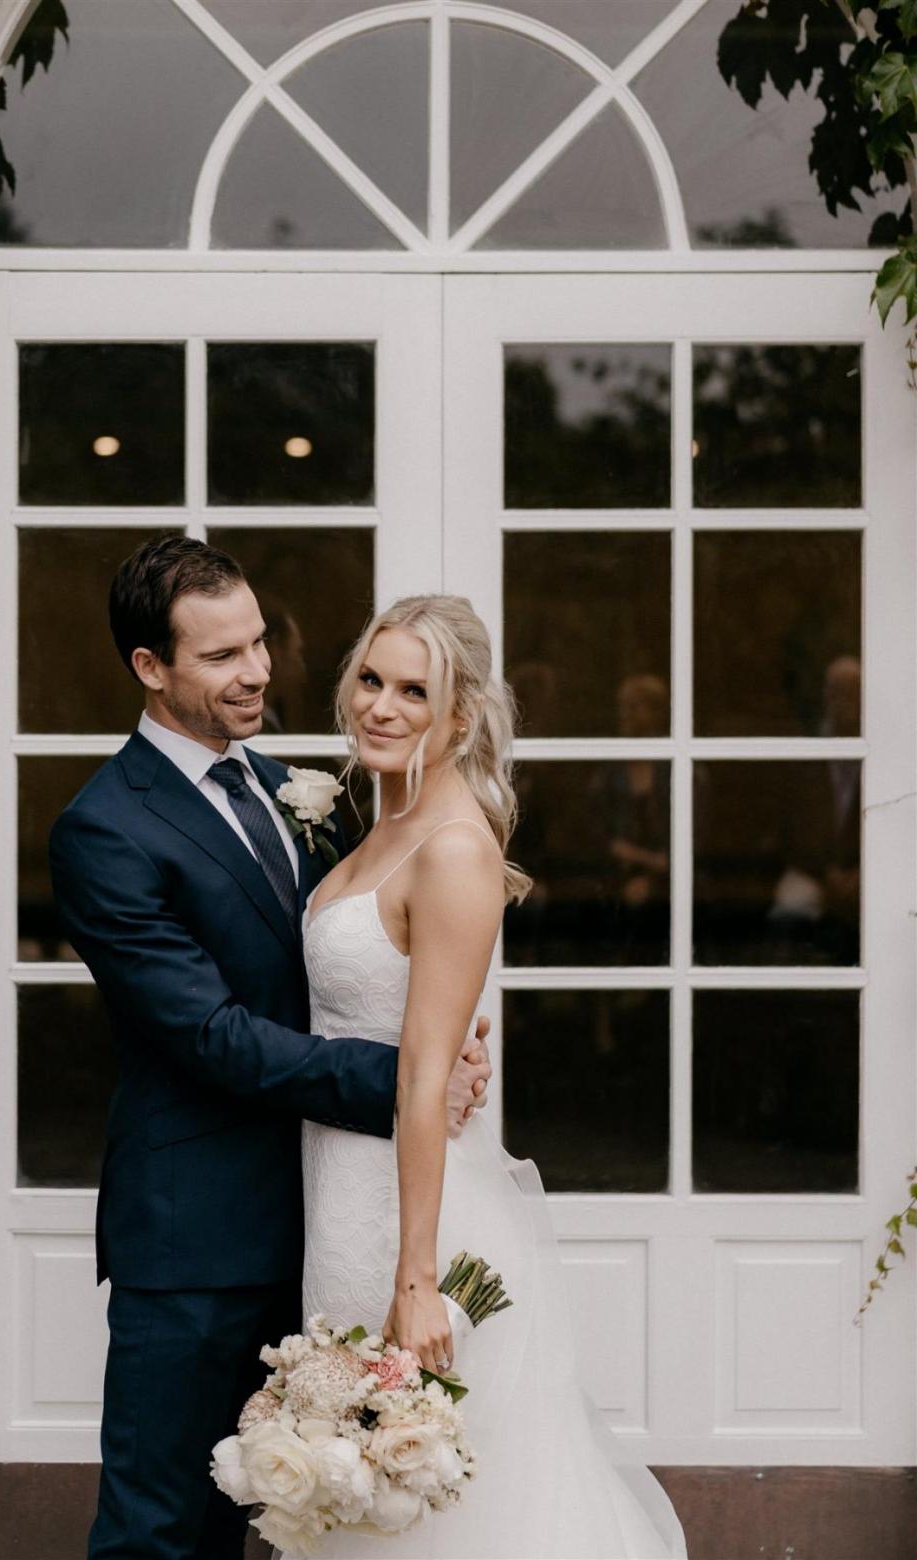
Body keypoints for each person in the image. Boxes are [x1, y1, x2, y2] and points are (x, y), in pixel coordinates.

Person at [48, 538, 491, 1560]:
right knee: (158, 1527)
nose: (255, 672)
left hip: (320, 1218)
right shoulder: (104, 831)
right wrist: (402, 1080)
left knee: (285, 1519)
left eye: (257, 644)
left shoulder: (293, 791)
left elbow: (364, 959)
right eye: (219, 657)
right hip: (192, 1238)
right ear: (150, 669)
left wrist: (435, 1039)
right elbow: (208, 1035)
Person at [291, 596, 687, 1558]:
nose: (381, 707)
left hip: (409, 1218)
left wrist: (418, 1280)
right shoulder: (386, 821)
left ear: (460, 717)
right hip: (341, 1195)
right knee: (358, 1492)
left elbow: (426, 1080)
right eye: (372, 679)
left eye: (413, 691)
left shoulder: (456, 846)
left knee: (431, 1502)